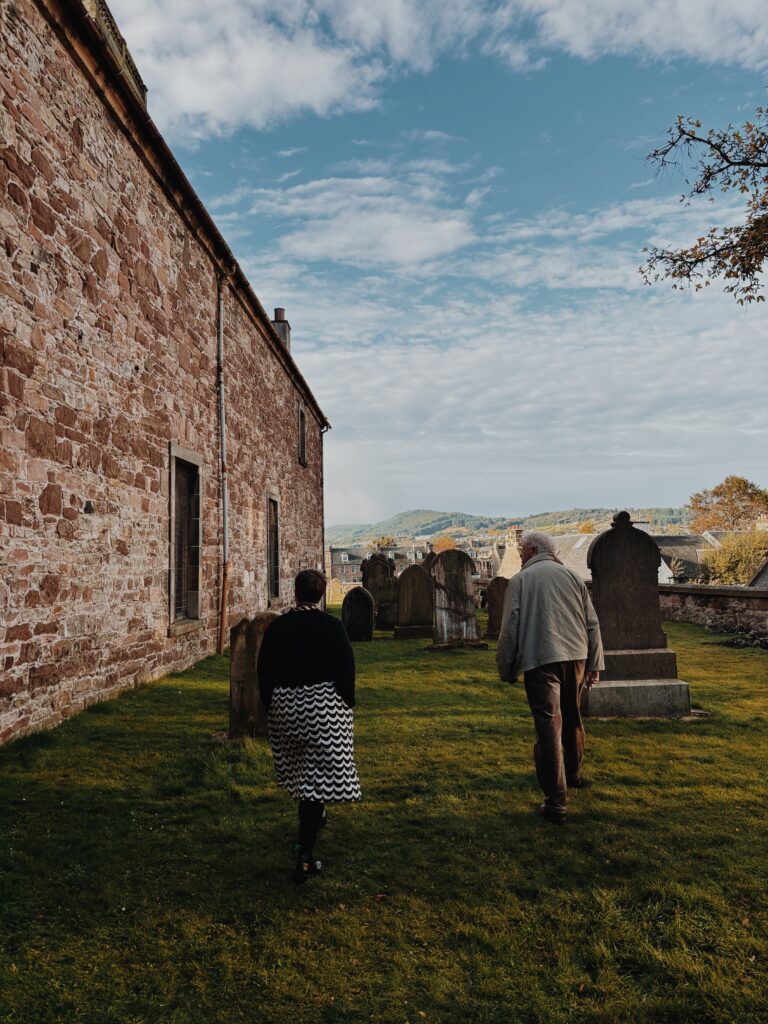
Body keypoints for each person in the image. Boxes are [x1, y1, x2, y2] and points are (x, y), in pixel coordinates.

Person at [258, 569, 361, 882]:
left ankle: (314, 820)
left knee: (302, 771)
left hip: (287, 707)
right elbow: (346, 669)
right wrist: (346, 701)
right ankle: (305, 855)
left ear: (296, 592)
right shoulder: (331, 626)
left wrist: (271, 704)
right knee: (316, 781)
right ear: (320, 595)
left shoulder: (278, 627)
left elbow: (264, 668)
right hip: (323, 708)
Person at [496, 531, 604, 825]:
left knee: (548, 729)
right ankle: (573, 775)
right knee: (572, 718)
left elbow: (510, 629)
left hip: (542, 658)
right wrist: (594, 663)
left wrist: (505, 668)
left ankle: (556, 803)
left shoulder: (520, 581)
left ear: (532, 549)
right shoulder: (572, 577)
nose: (519, 555)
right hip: (576, 657)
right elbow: (592, 623)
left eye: (521, 550)